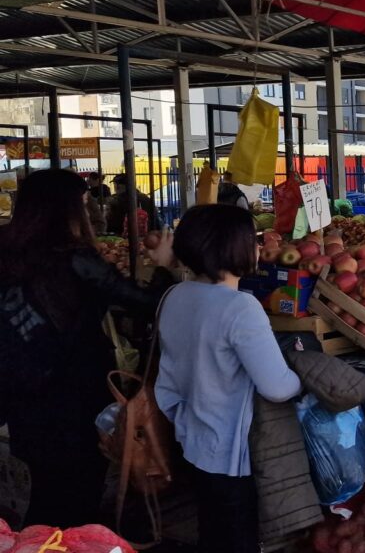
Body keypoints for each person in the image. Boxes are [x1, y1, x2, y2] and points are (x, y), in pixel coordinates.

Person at [0, 169, 175, 528]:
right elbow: (149, 304)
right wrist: (164, 266)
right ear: (65, 210)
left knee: (46, 493)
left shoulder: (5, 251)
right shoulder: (75, 258)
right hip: (73, 396)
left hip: (20, 394)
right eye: (82, 203)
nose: (89, 210)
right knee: (76, 495)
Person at [156, 204, 303, 552]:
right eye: (250, 239)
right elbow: (277, 387)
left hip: (192, 439)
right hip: (230, 452)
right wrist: (305, 378)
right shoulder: (239, 308)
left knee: (212, 532)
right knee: (237, 538)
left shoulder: (175, 295)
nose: (257, 246)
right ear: (230, 247)